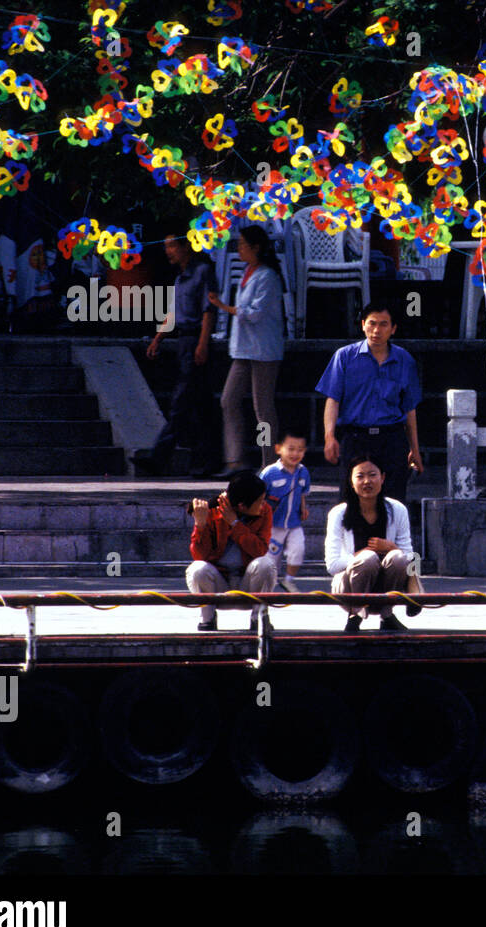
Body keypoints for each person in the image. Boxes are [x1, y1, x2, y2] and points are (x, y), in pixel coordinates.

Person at [133, 232, 222, 478]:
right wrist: (158, 338)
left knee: (181, 402)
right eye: (166, 246)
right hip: (183, 340)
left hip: (196, 339)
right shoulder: (180, 279)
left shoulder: (203, 272)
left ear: (186, 246)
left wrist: (203, 343)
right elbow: (173, 312)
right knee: (203, 406)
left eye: (172, 245)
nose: (168, 251)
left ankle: (157, 457)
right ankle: (210, 461)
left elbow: (208, 311)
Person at [316, 302, 424, 505]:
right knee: (351, 502)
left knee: (393, 502)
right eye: (372, 323)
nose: (376, 330)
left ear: (393, 329)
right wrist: (329, 437)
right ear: (363, 324)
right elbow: (333, 400)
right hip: (356, 437)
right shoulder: (345, 357)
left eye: (384, 324)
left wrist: (415, 449)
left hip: (392, 438)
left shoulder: (404, 360)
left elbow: (410, 408)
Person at [209, 226, 284, 473]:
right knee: (228, 400)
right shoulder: (246, 272)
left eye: (243, 244)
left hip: (263, 350)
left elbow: (254, 313)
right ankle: (235, 459)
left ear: (256, 248)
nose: (239, 248)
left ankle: (268, 462)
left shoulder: (268, 276)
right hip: (242, 350)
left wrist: (224, 306)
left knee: (263, 409)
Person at [325, 455, 419, 633]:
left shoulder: (397, 509)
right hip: (349, 589)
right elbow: (332, 565)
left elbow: (409, 556)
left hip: (387, 589)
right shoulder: (338, 514)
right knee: (367, 558)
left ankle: (386, 614)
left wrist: (391, 548)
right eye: (360, 476)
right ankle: (355, 614)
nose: (367, 481)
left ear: (382, 478)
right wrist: (361, 556)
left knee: (398, 557)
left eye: (372, 475)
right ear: (351, 481)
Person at [186, 469, 276, 632]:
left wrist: (235, 524)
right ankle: (207, 618)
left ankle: (259, 617)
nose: (263, 505)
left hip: (248, 585)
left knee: (265, 564)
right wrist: (201, 526)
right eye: (260, 501)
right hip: (219, 586)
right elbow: (200, 556)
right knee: (197, 569)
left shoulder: (265, 512)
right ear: (242, 505)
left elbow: (260, 550)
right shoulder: (211, 511)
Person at [260, 427, 312, 593]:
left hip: (294, 523)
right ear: (278, 449)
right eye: (290, 449)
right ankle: (268, 586)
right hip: (273, 524)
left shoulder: (303, 472)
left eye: (300, 450)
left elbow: (303, 492)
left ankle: (289, 580)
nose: (295, 454)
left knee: (298, 550)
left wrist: (304, 508)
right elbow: (259, 496)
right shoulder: (269, 473)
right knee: (271, 558)